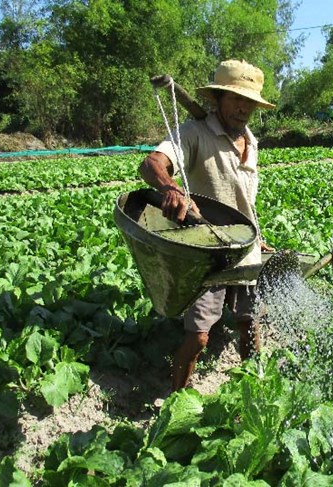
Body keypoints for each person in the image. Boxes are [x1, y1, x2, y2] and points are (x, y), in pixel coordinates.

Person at [138, 59, 275, 392]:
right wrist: (171, 188)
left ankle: (252, 390)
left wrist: (259, 238)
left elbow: (244, 200)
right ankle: (176, 400)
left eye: (250, 102)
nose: (244, 108)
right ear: (217, 99)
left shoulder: (251, 142)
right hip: (205, 250)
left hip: (244, 248)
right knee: (199, 337)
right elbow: (151, 163)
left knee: (248, 324)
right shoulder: (194, 132)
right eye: (236, 99)